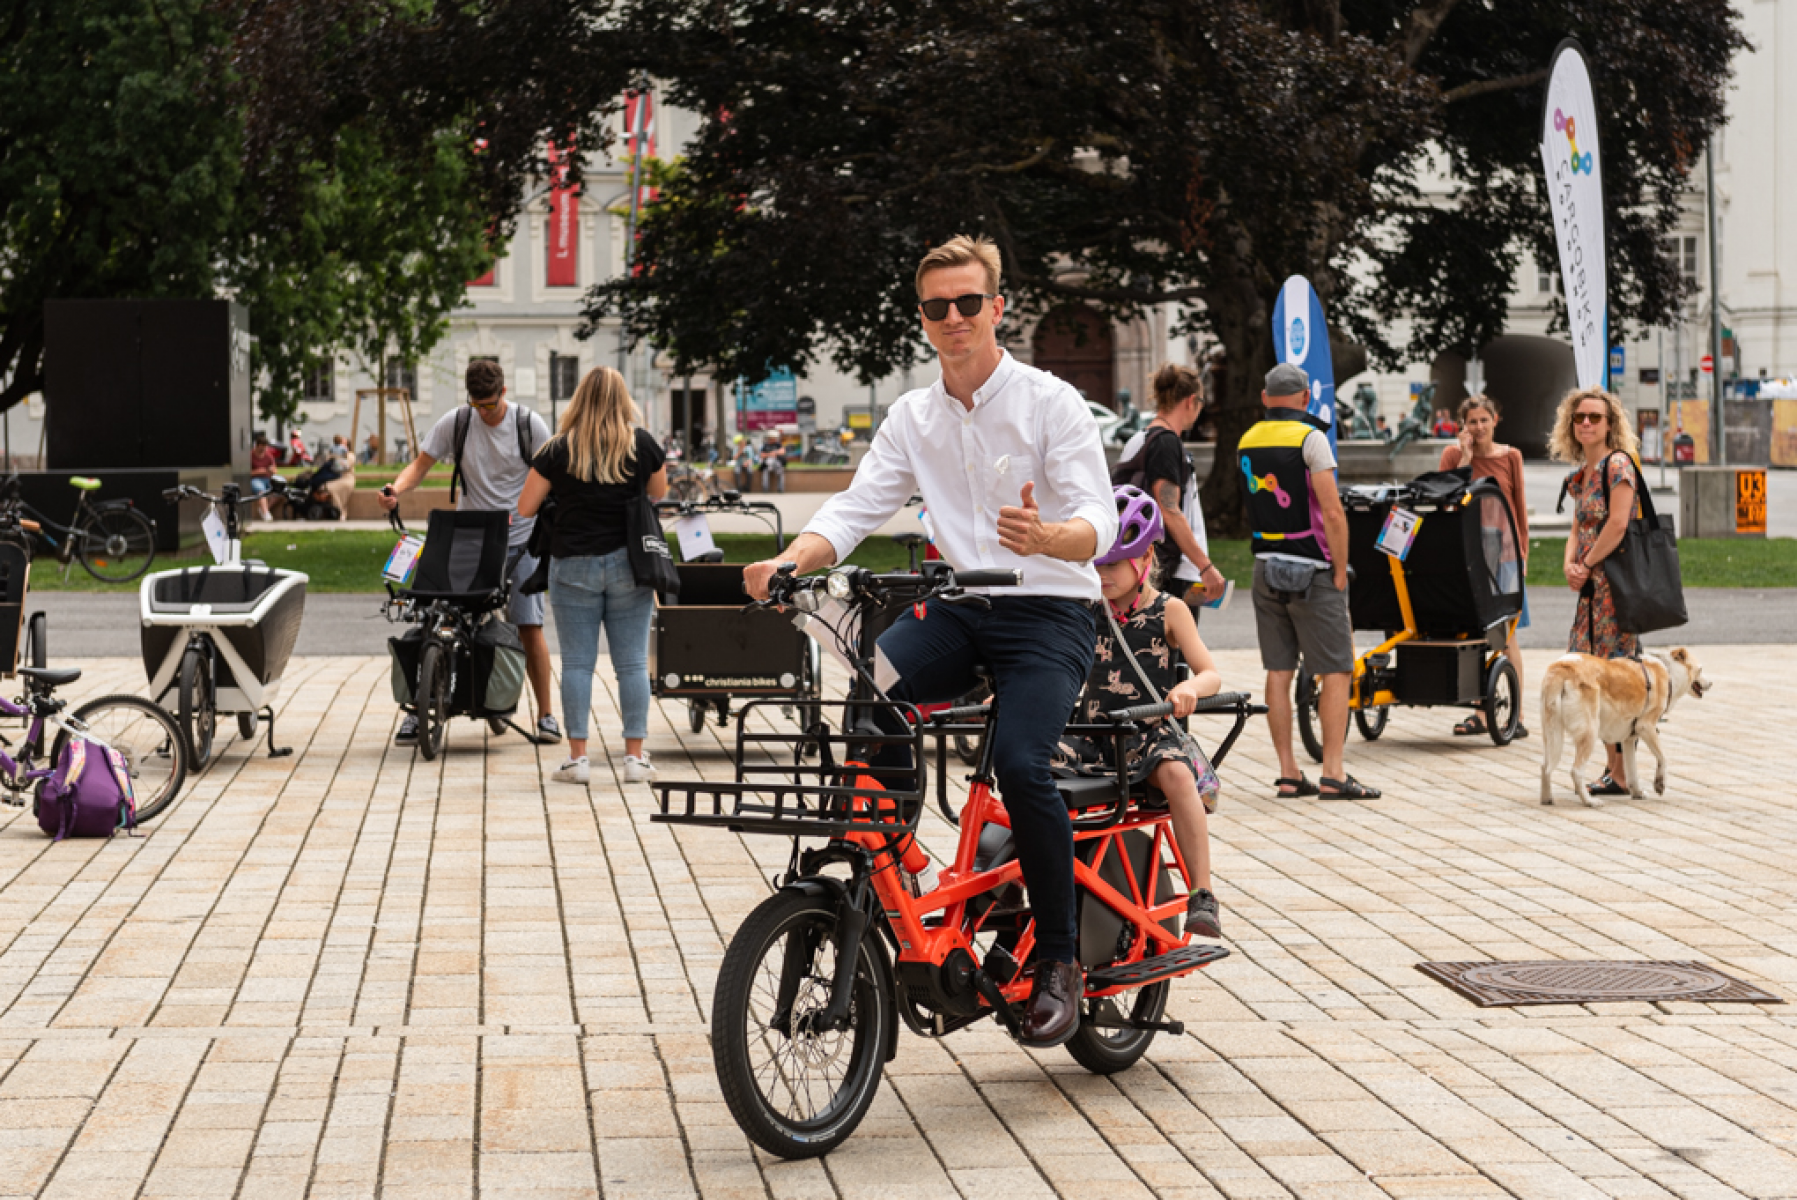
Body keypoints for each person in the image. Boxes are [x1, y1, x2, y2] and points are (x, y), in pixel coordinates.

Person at [741, 234, 1117, 1048]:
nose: (955, 318)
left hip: (1050, 609)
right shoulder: (913, 415)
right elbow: (854, 507)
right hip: (961, 604)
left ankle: (1058, 961)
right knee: (869, 696)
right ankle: (899, 863)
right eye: (938, 307)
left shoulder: (1048, 401)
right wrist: (788, 558)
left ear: (997, 309)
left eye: (969, 303)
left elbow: (1101, 520)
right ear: (923, 319)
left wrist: (1048, 537)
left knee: (1021, 763)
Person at [1052, 487, 1225, 937]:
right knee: (1023, 757)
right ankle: (1015, 874)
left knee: (1176, 774)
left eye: (1112, 563)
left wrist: (1189, 687)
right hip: (1089, 736)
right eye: (1096, 562)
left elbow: (1211, 674)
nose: (1101, 573)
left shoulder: (1170, 609)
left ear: (1145, 558)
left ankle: (1202, 894)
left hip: (1147, 737)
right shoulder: (1084, 610)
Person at [379, 359, 560, 745]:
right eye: (477, 405)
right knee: (437, 617)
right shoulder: (458, 422)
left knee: (528, 625)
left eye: (490, 405)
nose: (484, 412)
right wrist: (396, 489)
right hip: (472, 540)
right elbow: (420, 464)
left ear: (504, 394)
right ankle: (419, 708)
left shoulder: (529, 425)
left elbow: (551, 476)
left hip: (521, 538)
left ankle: (546, 715)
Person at [518, 366, 668, 784]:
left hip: (573, 564)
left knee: (579, 664)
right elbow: (660, 493)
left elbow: (525, 507)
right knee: (633, 663)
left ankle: (578, 758)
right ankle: (635, 758)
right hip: (630, 564)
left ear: (579, 399)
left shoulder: (559, 448)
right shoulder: (642, 444)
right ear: (623, 401)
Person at [1244, 363, 1379, 801]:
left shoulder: (1248, 439)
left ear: (1265, 399)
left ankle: (1287, 773)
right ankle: (1333, 773)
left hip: (1264, 564)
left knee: (1278, 670)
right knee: (1336, 669)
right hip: (1312, 568)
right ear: (1305, 399)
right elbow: (1333, 511)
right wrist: (1340, 569)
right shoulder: (1311, 439)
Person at [1553, 386, 1641, 795]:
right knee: (1591, 676)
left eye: (1594, 417)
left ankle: (1622, 772)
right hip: (1590, 591)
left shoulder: (1618, 465)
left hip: (1614, 590)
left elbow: (1618, 524)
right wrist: (1570, 564)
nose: (1585, 423)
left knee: (1617, 676)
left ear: (1610, 425)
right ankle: (1613, 769)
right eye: (1579, 417)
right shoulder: (1581, 475)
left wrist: (1585, 565)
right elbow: (1578, 528)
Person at [1440, 394, 1531, 737]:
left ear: (1495, 420)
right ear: (1462, 426)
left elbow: (1519, 508)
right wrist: (1465, 458)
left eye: (1483, 420)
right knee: (1476, 634)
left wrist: (1522, 555)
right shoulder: (1452, 455)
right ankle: (1480, 712)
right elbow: (1446, 501)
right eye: (1471, 422)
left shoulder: (1511, 457)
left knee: (1506, 637)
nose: (1478, 428)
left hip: (1505, 555)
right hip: (1467, 555)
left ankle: (1515, 715)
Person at [1113, 363, 1226, 608]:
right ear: (1191, 401)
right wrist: (1204, 566)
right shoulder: (1166, 443)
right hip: (1171, 572)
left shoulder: (1138, 438)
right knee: (1177, 643)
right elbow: (1170, 510)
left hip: (1144, 564)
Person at [249, 432, 282, 521]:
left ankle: (265, 510)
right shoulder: (250, 455)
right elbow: (247, 473)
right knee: (261, 492)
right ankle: (266, 513)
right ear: (257, 445)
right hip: (255, 479)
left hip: (267, 479)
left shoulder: (269, 456)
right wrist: (260, 471)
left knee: (279, 492)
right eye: (261, 446)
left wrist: (272, 470)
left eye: (265, 446)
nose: (263, 449)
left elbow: (275, 469)